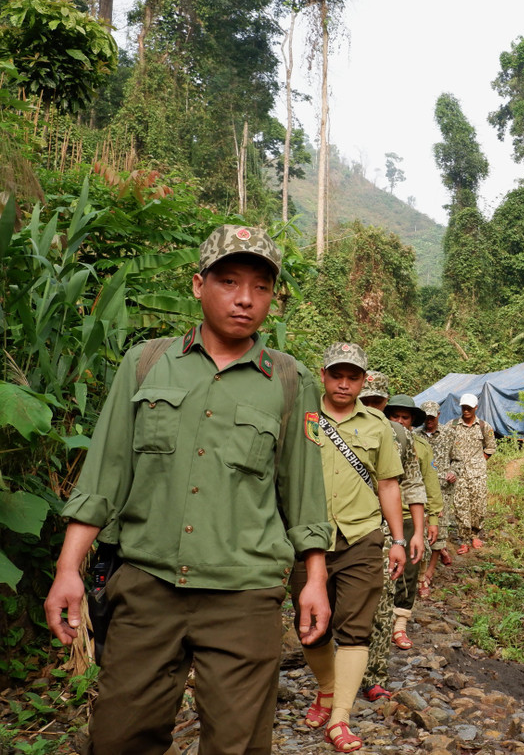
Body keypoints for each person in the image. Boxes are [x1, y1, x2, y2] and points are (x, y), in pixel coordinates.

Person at [42, 224, 333, 755]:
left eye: (261, 287)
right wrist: (68, 570)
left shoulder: (291, 381)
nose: (245, 299)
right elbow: (105, 475)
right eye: (228, 281)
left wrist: (313, 580)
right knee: (119, 736)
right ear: (199, 285)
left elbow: (304, 492)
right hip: (147, 588)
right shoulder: (147, 363)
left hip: (244, 596)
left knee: (238, 745)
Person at [293, 345, 417, 753]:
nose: (344, 383)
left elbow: (388, 484)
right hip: (308, 538)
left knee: (355, 630)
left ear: (364, 382)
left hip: (362, 537)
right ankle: (326, 689)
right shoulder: (302, 416)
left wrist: (398, 539)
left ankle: (340, 718)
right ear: (323, 375)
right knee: (311, 628)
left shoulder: (378, 426)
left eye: (353, 376)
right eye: (336, 375)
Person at [361, 395, 442, 698]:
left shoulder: (417, 446)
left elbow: (423, 484)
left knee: (406, 576)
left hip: (405, 517)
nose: (398, 421)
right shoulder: (367, 433)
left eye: (404, 417)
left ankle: (398, 626)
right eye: (393, 415)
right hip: (372, 519)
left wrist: (430, 521)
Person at [439, 393, 496, 555]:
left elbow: (490, 447)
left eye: (469, 408)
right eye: (464, 408)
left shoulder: (484, 426)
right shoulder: (452, 425)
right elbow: (445, 446)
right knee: (461, 506)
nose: (466, 411)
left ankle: (475, 534)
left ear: (475, 408)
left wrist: (480, 461)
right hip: (458, 474)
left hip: (477, 474)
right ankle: (463, 539)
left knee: (479, 505)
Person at [417, 400, 452, 591]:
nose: (429, 421)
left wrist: (454, 471)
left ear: (438, 415)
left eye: (432, 417)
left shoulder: (448, 434)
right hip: (420, 491)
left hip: (442, 491)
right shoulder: (415, 435)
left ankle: (430, 570)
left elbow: (458, 459)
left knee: (439, 532)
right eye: (426, 417)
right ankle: (419, 571)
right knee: (421, 530)